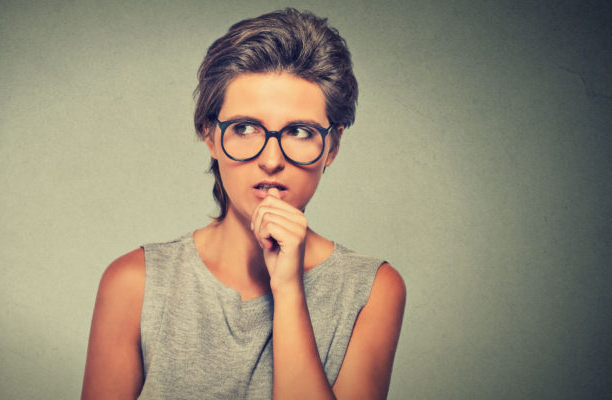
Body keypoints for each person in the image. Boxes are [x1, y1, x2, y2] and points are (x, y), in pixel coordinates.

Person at [82, 8, 405, 400]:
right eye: (245, 128)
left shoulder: (371, 291)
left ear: (331, 146)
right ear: (211, 135)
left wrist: (287, 289)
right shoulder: (135, 283)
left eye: (299, 131)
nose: (271, 159)